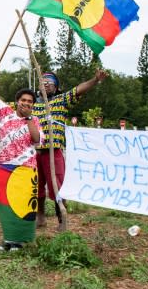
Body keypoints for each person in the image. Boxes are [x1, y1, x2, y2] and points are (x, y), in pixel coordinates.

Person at [0, 63, 43, 251]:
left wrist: (28, 120)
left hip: (26, 170)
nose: (27, 103)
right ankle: (9, 239)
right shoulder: (5, 113)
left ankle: (22, 241)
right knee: (6, 206)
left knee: (23, 205)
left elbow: (37, 141)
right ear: (17, 101)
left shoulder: (35, 121)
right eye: (24, 100)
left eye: (30, 102)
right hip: (4, 169)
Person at [33, 69, 108, 228]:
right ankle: (40, 216)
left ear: (56, 87)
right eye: (43, 83)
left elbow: (79, 89)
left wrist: (95, 79)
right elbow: (7, 107)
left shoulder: (61, 100)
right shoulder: (31, 103)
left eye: (50, 83)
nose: (46, 85)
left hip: (54, 151)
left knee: (58, 187)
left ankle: (61, 218)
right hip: (35, 152)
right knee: (37, 186)